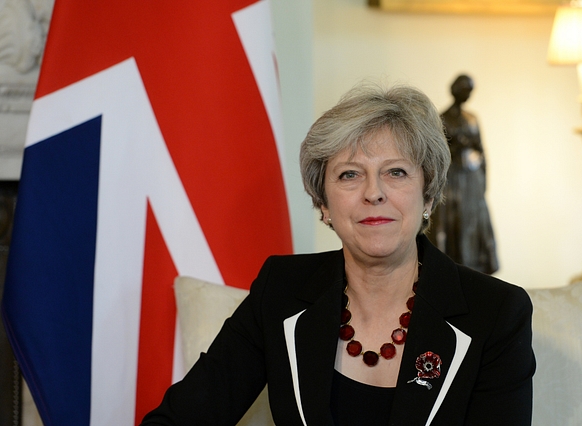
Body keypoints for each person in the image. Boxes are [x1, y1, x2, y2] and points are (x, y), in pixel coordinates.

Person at [141, 82, 535, 425]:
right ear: (323, 204)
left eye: (396, 172)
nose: (373, 192)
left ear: (428, 194)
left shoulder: (496, 313)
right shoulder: (280, 291)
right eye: (349, 174)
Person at [429, 74, 499, 274]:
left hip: (471, 178)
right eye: (464, 89)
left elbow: (481, 150)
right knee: (451, 221)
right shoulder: (442, 119)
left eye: (470, 90)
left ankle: (476, 265)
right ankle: (453, 266)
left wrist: (483, 179)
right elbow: (438, 153)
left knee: (474, 220)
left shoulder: (472, 118)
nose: (467, 94)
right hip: (451, 178)